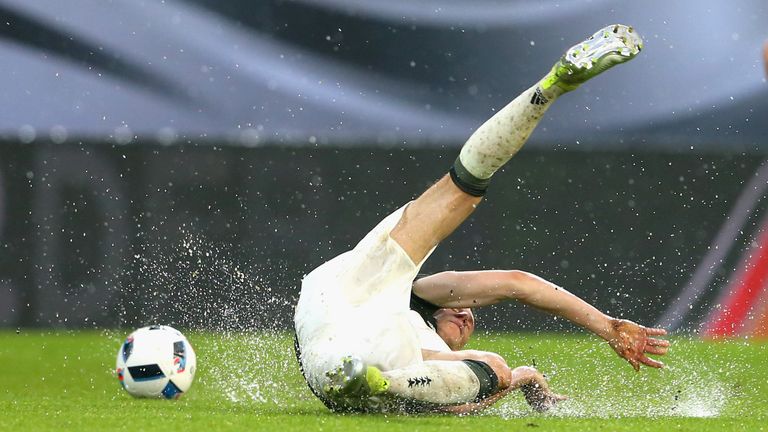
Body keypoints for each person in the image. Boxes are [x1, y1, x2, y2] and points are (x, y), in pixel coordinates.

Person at [294, 24, 670, 414]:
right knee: (462, 191)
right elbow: (516, 284)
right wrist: (602, 331)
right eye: (462, 309)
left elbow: (456, 400)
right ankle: (550, 88)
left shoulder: (417, 339)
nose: (462, 313)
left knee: (464, 187)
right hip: (352, 312)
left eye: (469, 318)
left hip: (334, 338)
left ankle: (551, 89)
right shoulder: (416, 299)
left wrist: (513, 376)